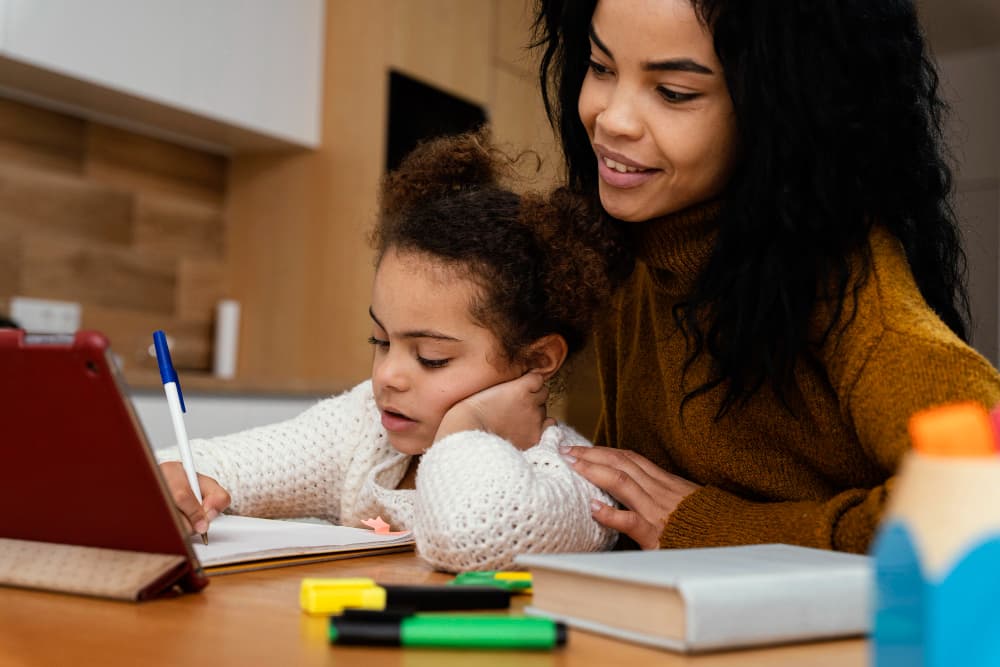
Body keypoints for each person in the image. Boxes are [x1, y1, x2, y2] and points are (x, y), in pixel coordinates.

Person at [474, 0, 1000, 554]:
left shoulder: (847, 282)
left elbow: (982, 491)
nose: (612, 120)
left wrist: (722, 529)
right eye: (601, 67)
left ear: (777, 109)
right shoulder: (631, 250)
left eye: (673, 92)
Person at [157, 129, 619, 572]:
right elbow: (215, 463)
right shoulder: (366, 428)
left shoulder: (577, 482)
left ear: (536, 360)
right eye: (381, 341)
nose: (387, 376)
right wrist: (184, 479)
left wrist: (463, 429)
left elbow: (471, 533)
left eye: (431, 357)